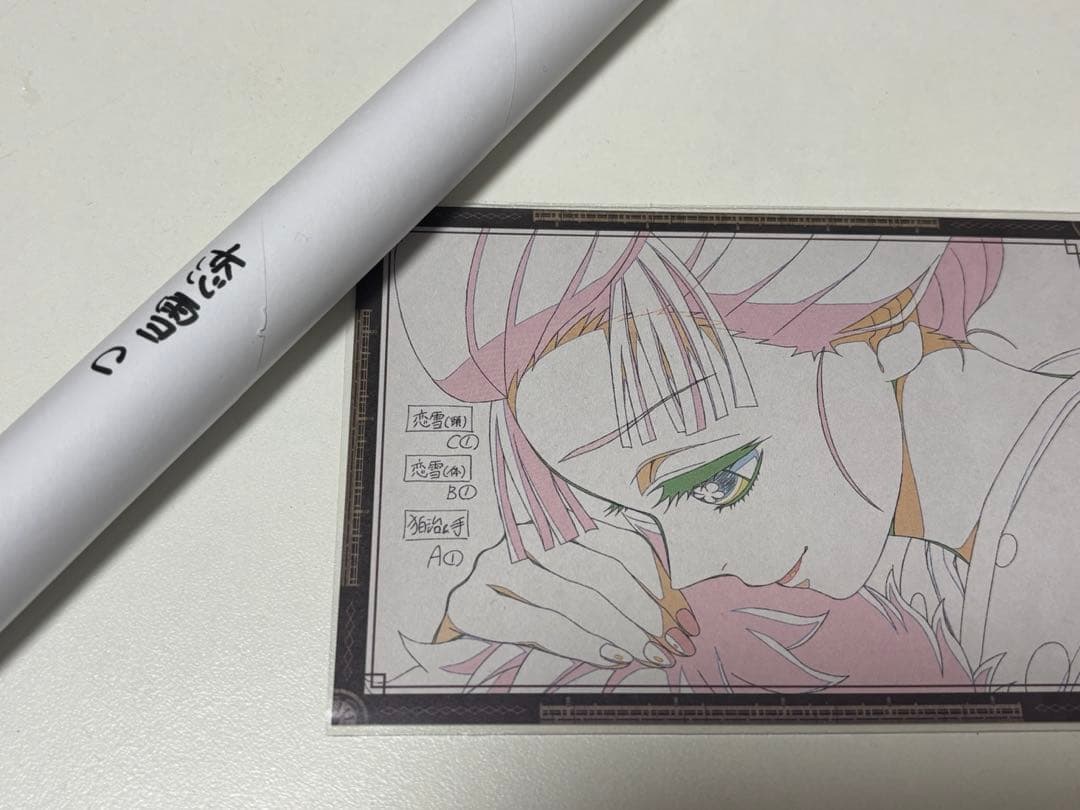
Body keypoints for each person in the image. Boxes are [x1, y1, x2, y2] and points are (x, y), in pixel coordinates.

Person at [391, 228, 1080, 693]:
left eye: (718, 480)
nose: (688, 573)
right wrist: (474, 627)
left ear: (883, 326)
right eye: (633, 517)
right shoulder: (925, 577)